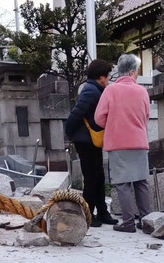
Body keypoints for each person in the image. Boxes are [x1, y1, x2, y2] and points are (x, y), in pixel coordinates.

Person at [94, 53, 152, 233]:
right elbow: (146, 116)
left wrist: (113, 124)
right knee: (141, 182)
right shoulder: (142, 91)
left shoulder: (110, 90)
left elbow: (98, 118)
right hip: (139, 141)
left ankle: (128, 222)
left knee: (123, 184)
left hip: (118, 142)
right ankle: (146, 220)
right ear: (133, 72)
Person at [65, 58, 117, 226]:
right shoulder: (90, 91)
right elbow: (76, 113)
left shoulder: (95, 90)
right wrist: (70, 134)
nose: (108, 79)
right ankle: (88, 214)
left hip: (91, 140)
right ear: (100, 77)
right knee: (92, 177)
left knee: (99, 176)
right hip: (85, 140)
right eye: (107, 76)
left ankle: (102, 212)